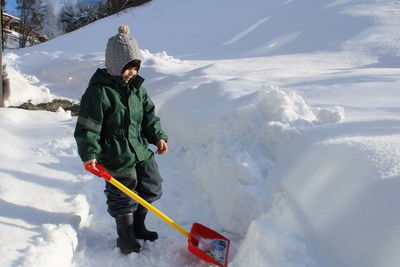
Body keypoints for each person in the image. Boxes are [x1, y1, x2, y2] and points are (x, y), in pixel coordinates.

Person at [74, 25, 168, 254]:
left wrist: (157, 137)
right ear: (115, 65)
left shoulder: (137, 90)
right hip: (115, 153)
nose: (132, 73)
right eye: (128, 68)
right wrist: (89, 154)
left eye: (135, 68)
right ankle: (125, 237)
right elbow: (88, 126)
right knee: (123, 195)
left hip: (139, 148)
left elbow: (148, 116)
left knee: (152, 185)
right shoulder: (99, 92)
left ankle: (138, 226)